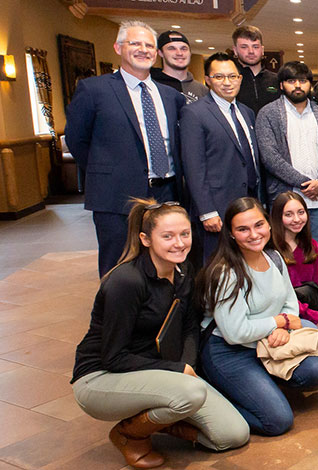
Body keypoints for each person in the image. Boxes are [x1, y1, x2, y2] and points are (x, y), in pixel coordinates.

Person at [71, 199, 248, 469]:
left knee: (234, 434)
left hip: (158, 370)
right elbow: (113, 357)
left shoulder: (184, 270)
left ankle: (163, 419)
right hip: (101, 377)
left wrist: (188, 366)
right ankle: (129, 434)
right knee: (190, 393)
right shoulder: (126, 282)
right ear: (145, 239)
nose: (179, 243)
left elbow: (190, 325)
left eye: (185, 234)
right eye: (167, 236)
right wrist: (177, 371)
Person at [197, 197, 318, 436]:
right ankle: (216, 403)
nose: (253, 234)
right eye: (242, 229)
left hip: (265, 341)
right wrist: (279, 323)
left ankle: (261, 386)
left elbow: (289, 301)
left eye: (258, 225)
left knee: (317, 369)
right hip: (229, 350)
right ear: (230, 234)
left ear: (269, 225)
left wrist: (283, 327)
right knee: (277, 421)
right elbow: (235, 332)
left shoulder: (274, 258)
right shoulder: (226, 273)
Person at [65, 21, 186, 276]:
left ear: (157, 52)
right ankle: (117, 316)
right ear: (118, 48)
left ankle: (162, 314)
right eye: (135, 43)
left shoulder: (170, 95)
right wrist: (110, 171)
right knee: (118, 266)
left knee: (166, 261)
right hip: (116, 196)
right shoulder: (94, 90)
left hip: (166, 192)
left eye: (149, 45)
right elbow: (77, 140)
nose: (143, 50)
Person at [180, 52, 260, 260]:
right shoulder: (194, 114)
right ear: (207, 80)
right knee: (217, 266)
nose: (227, 82)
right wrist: (207, 211)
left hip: (247, 203)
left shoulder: (247, 112)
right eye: (219, 77)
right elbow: (193, 167)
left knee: (245, 262)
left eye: (232, 76)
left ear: (240, 78)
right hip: (217, 208)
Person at [256, 61, 318, 247]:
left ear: (311, 84)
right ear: (281, 85)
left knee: (314, 250)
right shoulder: (268, 114)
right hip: (285, 197)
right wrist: (304, 183)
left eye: (302, 81)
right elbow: (270, 157)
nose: (298, 86)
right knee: (285, 251)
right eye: (291, 81)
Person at [270, 192, 318, 335]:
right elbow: (280, 298)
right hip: (283, 312)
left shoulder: (311, 245)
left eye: (301, 212)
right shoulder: (271, 250)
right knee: (312, 332)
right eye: (288, 214)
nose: (297, 219)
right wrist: (316, 317)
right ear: (278, 217)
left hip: (310, 307)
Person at [231, 25, 279, 114]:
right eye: (244, 47)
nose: (251, 51)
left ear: (262, 49)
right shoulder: (230, 81)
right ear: (235, 50)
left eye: (255, 47)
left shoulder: (277, 80)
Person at [150, 31, 208, 103]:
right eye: (172, 48)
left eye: (184, 48)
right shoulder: (151, 86)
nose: (179, 53)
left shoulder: (202, 90)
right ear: (160, 53)